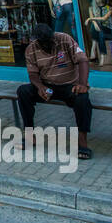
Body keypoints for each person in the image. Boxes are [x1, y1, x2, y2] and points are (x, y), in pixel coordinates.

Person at [17, 23, 93, 160]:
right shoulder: (31, 49)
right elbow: (33, 74)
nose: (49, 45)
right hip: (48, 86)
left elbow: (83, 60)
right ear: (37, 42)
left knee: (83, 99)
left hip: (70, 85)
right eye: (44, 43)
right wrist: (40, 87)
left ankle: (82, 141)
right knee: (23, 91)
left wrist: (82, 84)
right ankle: (30, 135)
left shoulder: (64, 39)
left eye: (50, 41)